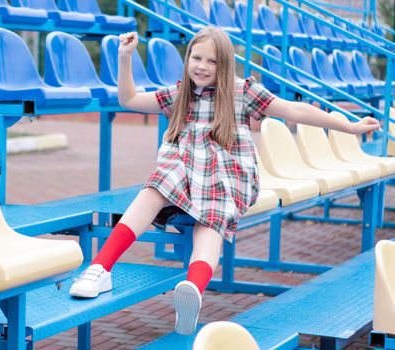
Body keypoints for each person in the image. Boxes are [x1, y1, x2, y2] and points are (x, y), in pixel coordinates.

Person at [69, 27, 380, 335]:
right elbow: (130, 99)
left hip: (228, 171)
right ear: (187, 58)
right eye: (197, 58)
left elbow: (294, 110)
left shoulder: (242, 92)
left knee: (212, 219)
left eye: (212, 61)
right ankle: (101, 267)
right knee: (154, 188)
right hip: (184, 167)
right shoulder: (180, 94)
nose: (202, 67)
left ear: (226, 65)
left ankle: (193, 286)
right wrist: (125, 57)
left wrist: (348, 126)